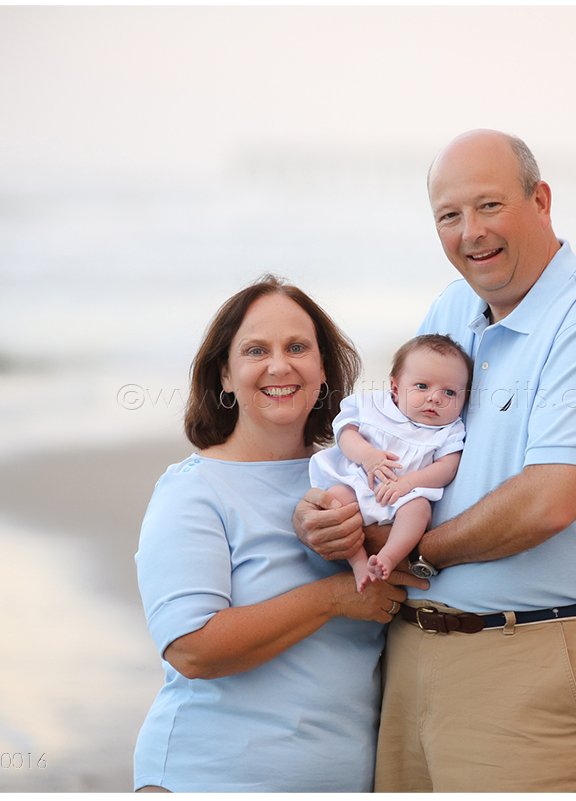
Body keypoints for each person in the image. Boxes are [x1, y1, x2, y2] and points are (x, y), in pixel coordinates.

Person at [294, 130, 576, 792]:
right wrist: (329, 511)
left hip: (530, 659)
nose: (471, 232)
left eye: (489, 206)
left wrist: (413, 548)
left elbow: (550, 500)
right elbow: (394, 438)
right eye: (449, 215)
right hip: (408, 657)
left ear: (541, 200)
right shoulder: (451, 310)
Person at [133, 275, 425, 792]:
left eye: (297, 347)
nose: (279, 365)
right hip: (208, 777)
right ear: (225, 374)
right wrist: (333, 598)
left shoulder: (356, 482)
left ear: (322, 369)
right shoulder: (193, 490)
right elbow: (191, 650)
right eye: (255, 350)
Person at [309, 334, 471, 592]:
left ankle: (389, 556)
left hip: (405, 495)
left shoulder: (449, 430)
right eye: (421, 386)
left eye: (449, 392)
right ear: (395, 388)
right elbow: (345, 434)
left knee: (419, 511)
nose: (434, 398)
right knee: (337, 500)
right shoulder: (373, 406)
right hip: (362, 482)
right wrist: (368, 456)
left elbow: (447, 468)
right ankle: (358, 560)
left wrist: (408, 483)